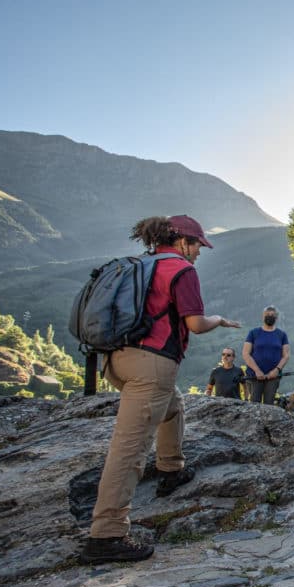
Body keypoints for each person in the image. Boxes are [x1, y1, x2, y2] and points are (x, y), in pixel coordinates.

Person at [81, 215, 241, 565]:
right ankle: (106, 535)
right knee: (130, 449)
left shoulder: (142, 265)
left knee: (173, 406)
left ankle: (171, 469)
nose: (200, 251)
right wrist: (220, 320)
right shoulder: (180, 269)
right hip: (151, 365)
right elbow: (196, 324)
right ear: (183, 240)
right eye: (198, 244)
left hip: (114, 360)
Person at [243, 305, 290, 404]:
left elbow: (286, 355)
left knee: (269, 404)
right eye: (267, 314)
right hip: (254, 376)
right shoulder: (253, 333)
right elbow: (246, 353)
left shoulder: (282, 335)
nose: (270, 316)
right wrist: (257, 370)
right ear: (263, 316)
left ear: (276, 318)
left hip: (273, 377)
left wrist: (277, 370)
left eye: (272, 315)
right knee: (254, 404)